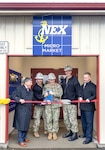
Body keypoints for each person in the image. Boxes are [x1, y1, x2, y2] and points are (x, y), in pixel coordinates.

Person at [11, 77, 33, 147]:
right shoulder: (19, 88)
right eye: (30, 82)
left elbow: (34, 99)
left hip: (28, 110)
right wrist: (19, 99)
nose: (31, 84)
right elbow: (13, 96)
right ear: (26, 82)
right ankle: (20, 140)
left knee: (26, 124)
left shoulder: (30, 90)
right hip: (21, 110)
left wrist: (43, 101)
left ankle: (24, 137)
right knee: (21, 125)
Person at [62, 65, 80, 141]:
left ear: (71, 71)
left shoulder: (75, 80)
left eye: (68, 71)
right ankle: (70, 131)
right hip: (64, 102)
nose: (67, 72)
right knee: (66, 119)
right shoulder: (63, 80)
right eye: (66, 71)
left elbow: (78, 90)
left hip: (72, 103)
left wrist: (79, 97)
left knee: (72, 119)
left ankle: (75, 133)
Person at [43, 73, 63, 140]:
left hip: (56, 105)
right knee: (48, 119)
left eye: (53, 79)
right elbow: (43, 94)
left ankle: (54, 132)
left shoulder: (58, 86)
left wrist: (53, 93)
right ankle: (50, 132)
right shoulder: (46, 86)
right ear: (48, 80)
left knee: (55, 119)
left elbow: (60, 94)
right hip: (48, 105)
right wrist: (45, 94)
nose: (51, 81)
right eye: (50, 80)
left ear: (55, 79)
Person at [79, 72, 96, 144]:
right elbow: (80, 93)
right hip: (82, 107)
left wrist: (89, 99)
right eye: (83, 77)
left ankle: (89, 138)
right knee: (83, 122)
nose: (84, 79)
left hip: (89, 108)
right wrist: (80, 97)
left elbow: (95, 95)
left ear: (90, 78)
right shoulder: (82, 85)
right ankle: (85, 134)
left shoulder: (93, 86)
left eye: (86, 77)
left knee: (89, 123)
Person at [33, 72, 47, 138]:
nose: (40, 80)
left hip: (44, 105)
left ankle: (46, 129)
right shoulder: (35, 87)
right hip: (38, 105)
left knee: (46, 118)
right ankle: (35, 131)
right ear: (36, 80)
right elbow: (38, 96)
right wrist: (45, 97)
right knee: (37, 119)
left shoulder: (44, 86)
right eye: (38, 79)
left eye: (41, 79)